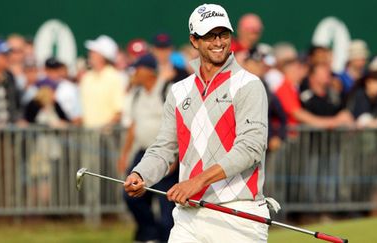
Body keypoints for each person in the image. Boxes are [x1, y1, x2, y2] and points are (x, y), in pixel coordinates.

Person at [124, 4, 270, 242]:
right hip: (189, 216)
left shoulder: (248, 84)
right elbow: (164, 147)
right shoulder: (179, 90)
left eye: (223, 34)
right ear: (194, 40)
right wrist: (142, 173)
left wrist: (197, 182)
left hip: (239, 214)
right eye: (210, 36)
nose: (218, 42)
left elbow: (250, 148)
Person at [118, 54, 178, 242]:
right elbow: (133, 126)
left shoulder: (167, 90)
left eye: (137, 69)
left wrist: (174, 157)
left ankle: (164, 236)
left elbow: (179, 125)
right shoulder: (137, 94)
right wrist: (125, 154)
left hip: (165, 154)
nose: (134, 73)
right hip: (143, 152)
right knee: (131, 195)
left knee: (166, 202)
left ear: (148, 71)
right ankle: (150, 233)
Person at [79, 35, 125, 128]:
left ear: (103, 56)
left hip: (107, 137)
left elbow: (119, 111)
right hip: (87, 136)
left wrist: (105, 128)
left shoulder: (115, 77)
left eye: (94, 52)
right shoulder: (87, 77)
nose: (90, 54)